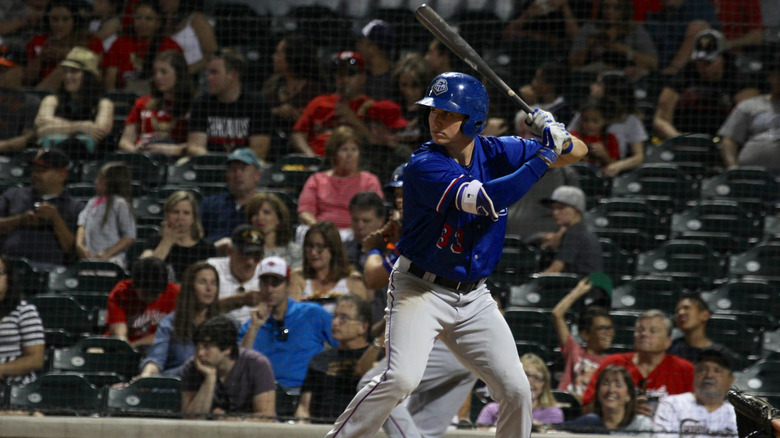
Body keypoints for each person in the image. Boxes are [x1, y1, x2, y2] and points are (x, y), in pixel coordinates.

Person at [323, 71, 586, 438]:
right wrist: (544, 153)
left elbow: (579, 151)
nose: (436, 119)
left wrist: (555, 133)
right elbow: (487, 201)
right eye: (434, 111)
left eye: (448, 113)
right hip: (421, 289)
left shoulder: (496, 150)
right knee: (400, 378)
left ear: (474, 120)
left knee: (517, 389)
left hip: (474, 297)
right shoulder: (424, 164)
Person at [237, 256, 336, 415]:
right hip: (263, 399)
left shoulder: (313, 313)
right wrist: (254, 328)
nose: (269, 289)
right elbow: (238, 368)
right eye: (265, 283)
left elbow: (344, 344)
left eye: (275, 283)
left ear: (288, 286)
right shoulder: (250, 326)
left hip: (307, 398)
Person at [581, 309, 695, 417]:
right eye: (640, 330)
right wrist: (625, 410)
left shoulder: (685, 369)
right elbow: (586, 409)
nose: (644, 334)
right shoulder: (613, 364)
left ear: (667, 341)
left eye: (653, 331)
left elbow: (698, 411)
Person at [653, 29, 760, 141]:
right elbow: (661, 119)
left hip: (724, 143)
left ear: (723, 57)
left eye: (709, 62)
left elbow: (748, 121)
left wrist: (727, 143)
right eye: (700, 61)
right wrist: (677, 138)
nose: (703, 67)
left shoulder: (740, 80)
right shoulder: (685, 75)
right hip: (684, 141)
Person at [180, 315, 276, 420]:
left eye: (207, 347)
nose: (200, 353)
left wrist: (232, 421)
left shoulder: (257, 364)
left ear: (227, 349)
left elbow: (266, 417)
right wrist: (210, 378)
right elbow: (191, 421)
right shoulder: (191, 368)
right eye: (198, 347)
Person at [294, 294, 371, 424]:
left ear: (363, 327)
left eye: (344, 318)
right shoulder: (319, 360)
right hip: (322, 430)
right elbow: (304, 407)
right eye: (334, 316)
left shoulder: (377, 358)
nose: (335, 323)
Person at [0, 148, 83, 267]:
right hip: (8, 264)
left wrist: (56, 220)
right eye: (35, 170)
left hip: (51, 271)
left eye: (43, 170)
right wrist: (20, 220)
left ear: (61, 175)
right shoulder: (14, 195)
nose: (35, 174)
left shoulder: (75, 207)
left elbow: (74, 252)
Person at [185, 48, 272, 160]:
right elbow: (195, 146)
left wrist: (232, 162)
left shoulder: (257, 104)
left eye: (214, 73)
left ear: (233, 74)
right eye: (207, 73)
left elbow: (259, 151)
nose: (208, 78)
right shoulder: (202, 103)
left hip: (246, 168)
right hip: (209, 167)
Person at [138, 260, 220, 377]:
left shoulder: (225, 325)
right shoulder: (170, 322)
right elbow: (156, 359)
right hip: (177, 385)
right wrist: (146, 374)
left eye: (213, 283)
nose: (209, 288)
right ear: (190, 287)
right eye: (203, 282)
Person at [297, 125, 384, 233]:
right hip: (323, 234)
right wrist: (321, 231)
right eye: (344, 150)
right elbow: (305, 212)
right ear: (333, 153)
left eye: (354, 150)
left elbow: (377, 215)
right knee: (302, 230)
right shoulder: (316, 180)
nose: (350, 155)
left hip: (356, 234)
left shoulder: (369, 181)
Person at [290, 51, 374, 157]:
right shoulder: (319, 102)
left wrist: (354, 120)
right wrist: (310, 156)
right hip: (317, 162)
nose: (344, 79)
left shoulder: (370, 106)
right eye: (340, 74)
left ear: (363, 77)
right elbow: (297, 134)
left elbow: (375, 141)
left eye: (350, 74)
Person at [34, 46, 114, 157]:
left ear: (88, 76)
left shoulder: (104, 104)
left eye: (74, 71)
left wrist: (55, 126)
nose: (68, 76)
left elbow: (99, 132)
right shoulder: (51, 100)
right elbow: (40, 131)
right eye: (65, 71)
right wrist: (79, 127)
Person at [261, 32, 324, 161]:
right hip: (271, 149)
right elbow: (258, 114)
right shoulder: (271, 86)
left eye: (278, 53)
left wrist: (302, 117)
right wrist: (276, 112)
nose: (273, 57)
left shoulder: (314, 90)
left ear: (292, 57)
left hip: (302, 152)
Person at [118, 49, 193, 158]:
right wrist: (137, 152)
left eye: (163, 72)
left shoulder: (193, 107)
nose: (157, 77)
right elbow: (124, 142)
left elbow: (196, 145)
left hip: (175, 160)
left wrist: (168, 149)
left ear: (179, 74)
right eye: (155, 72)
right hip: (143, 158)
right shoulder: (142, 104)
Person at [653, 345, 738, 438]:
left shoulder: (737, 414)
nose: (709, 375)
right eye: (702, 370)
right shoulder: (673, 404)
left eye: (717, 371)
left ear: (731, 380)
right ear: (694, 374)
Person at [718, 45, 780, 172]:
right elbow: (729, 140)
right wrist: (732, 167)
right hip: (749, 177)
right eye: (778, 75)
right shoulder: (749, 105)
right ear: (770, 77)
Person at [552, 278, 615, 402]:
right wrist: (578, 292)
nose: (608, 334)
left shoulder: (613, 363)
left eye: (610, 329)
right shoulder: (574, 351)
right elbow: (557, 314)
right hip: (565, 408)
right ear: (585, 334)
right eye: (602, 329)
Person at [102, 0, 182, 92]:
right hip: (124, 99)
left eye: (149, 19)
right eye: (138, 18)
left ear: (158, 23)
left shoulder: (169, 45)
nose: (142, 22)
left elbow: (177, 80)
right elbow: (110, 80)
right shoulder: (120, 43)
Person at [291, 221, 367, 314]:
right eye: (309, 246)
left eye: (320, 247)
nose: (313, 252)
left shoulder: (353, 281)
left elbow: (361, 320)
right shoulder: (298, 277)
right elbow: (292, 317)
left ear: (333, 248)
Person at [25, 0, 104, 88]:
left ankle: (38, 99)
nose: (60, 24)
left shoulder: (90, 40)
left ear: (74, 19)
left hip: (81, 89)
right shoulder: (37, 41)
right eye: (55, 19)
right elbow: (27, 79)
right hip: (43, 86)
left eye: (65, 19)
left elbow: (95, 63)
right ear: (48, 20)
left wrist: (67, 54)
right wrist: (40, 58)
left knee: (65, 68)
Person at [140, 190, 216, 282]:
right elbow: (144, 272)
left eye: (186, 213)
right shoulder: (155, 241)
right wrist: (167, 241)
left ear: (193, 217)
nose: (180, 217)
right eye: (176, 212)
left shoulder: (206, 247)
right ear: (167, 214)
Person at [569, 0, 658, 77]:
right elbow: (572, 62)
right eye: (606, 7)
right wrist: (589, 47)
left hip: (626, 76)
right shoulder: (591, 27)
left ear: (624, 9)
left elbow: (653, 63)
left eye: (616, 8)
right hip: (594, 75)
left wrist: (626, 51)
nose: (609, 11)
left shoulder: (635, 29)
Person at [556, 364, 654, 434]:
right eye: (605, 384)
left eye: (618, 385)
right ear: (598, 392)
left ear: (628, 396)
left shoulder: (641, 425)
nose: (611, 390)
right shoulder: (588, 423)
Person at [106, 256, 179, 348]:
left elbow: (171, 334)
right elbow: (119, 335)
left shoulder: (174, 293)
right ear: (134, 285)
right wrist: (127, 350)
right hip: (123, 348)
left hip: (159, 347)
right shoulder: (122, 292)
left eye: (155, 295)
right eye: (145, 294)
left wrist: (135, 345)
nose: (149, 299)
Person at [477, 353, 564, 428]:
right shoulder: (492, 410)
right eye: (526, 376)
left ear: (544, 385)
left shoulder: (552, 413)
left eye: (537, 378)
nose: (530, 382)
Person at [75, 161, 137, 267]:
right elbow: (82, 224)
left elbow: (129, 236)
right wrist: (79, 245)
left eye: (100, 179)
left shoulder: (120, 203)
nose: (96, 182)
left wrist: (107, 253)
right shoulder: (92, 202)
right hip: (91, 258)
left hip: (112, 261)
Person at [199, 148, 262, 249]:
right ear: (227, 175)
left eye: (243, 168)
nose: (237, 174)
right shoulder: (210, 204)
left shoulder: (265, 207)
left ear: (257, 175)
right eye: (233, 169)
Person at [0, 255, 45, 386]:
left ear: (9, 278)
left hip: (15, 387)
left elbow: (36, 359)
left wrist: (1, 369)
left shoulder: (24, 311)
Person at [538, 185, 603, 275]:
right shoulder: (580, 231)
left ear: (577, 210)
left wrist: (531, 285)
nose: (555, 213)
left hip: (583, 286)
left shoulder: (575, 233)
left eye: (560, 208)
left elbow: (555, 269)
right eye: (553, 208)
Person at [207, 224, 264, 325]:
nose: (250, 262)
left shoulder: (267, 273)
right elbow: (200, 310)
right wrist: (240, 300)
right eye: (245, 255)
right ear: (229, 251)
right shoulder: (212, 269)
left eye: (256, 256)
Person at [644, 0, 719, 76]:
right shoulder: (653, 19)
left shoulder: (698, 6)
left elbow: (703, 31)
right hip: (657, 74)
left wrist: (674, 67)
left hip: (690, 75)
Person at [668, 293, 734, 364]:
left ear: (705, 315)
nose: (680, 313)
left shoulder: (721, 354)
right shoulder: (669, 349)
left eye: (686, 308)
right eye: (677, 311)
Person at [246, 192, 302, 269]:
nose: (260, 218)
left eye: (266, 212)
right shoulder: (243, 250)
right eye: (255, 213)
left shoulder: (294, 251)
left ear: (279, 219)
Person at [159, 0, 217, 75]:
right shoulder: (163, 23)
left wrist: (186, 70)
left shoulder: (197, 20)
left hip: (197, 77)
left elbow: (213, 53)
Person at [0, 50, 41, 154]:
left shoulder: (31, 102)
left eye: (6, 69)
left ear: (22, 71)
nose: (1, 72)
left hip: (12, 160)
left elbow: (23, 141)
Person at [391, 52, 433, 146]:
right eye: (404, 85)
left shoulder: (431, 112)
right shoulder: (393, 107)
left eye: (414, 86)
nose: (409, 92)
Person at [519, 62, 575, 127]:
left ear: (549, 86)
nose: (533, 83)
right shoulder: (534, 102)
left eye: (537, 79)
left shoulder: (564, 112)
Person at [570, 102, 621, 170]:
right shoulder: (573, 136)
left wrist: (604, 155)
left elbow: (615, 165)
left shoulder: (610, 139)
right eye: (586, 120)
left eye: (595, 121)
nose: (590, 125)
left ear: (603, 121)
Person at [355, 19, 396, 101]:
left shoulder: (396, 80)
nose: (357, 45)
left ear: (373, 48)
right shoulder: (358, 76)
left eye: (361, 42)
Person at [344, 192, 386, 272]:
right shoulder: (343, 250)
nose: (360, 226)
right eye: (355, 220)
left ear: (381, 221)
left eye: (366, 221)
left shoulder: (391, 253)